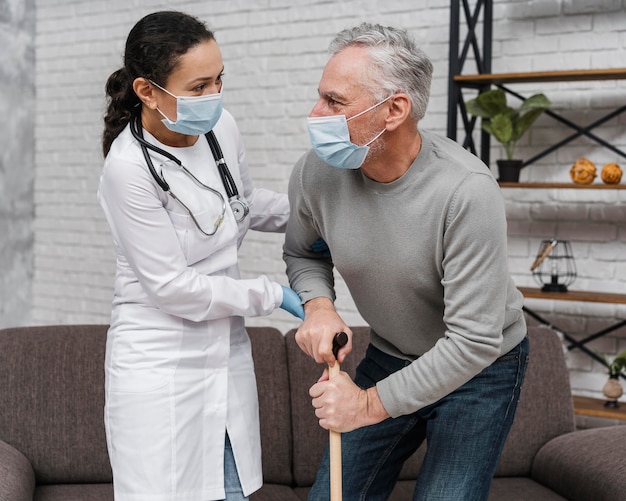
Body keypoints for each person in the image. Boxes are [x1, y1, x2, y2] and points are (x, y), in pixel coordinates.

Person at [283, 22, 529, 501]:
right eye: (320, 98)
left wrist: (366, 405)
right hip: (391, 354)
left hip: (480, 368)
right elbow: (303, 252)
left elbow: (472, 341)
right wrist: (318, 306)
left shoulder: (465, 192)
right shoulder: (315, 172)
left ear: (394, 109)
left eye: (335, 102)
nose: (316, 114)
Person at [98, 11, 304, 501]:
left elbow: (245, 204)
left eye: (218, 81)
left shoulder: (221, 128)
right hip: (159, 361)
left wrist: (321, 219)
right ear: (147, 91)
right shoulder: (127, 170)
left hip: (223, 352)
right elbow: (173, 288)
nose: (213, 97)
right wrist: (270, 293)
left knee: (231, 489)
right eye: (198, 87)